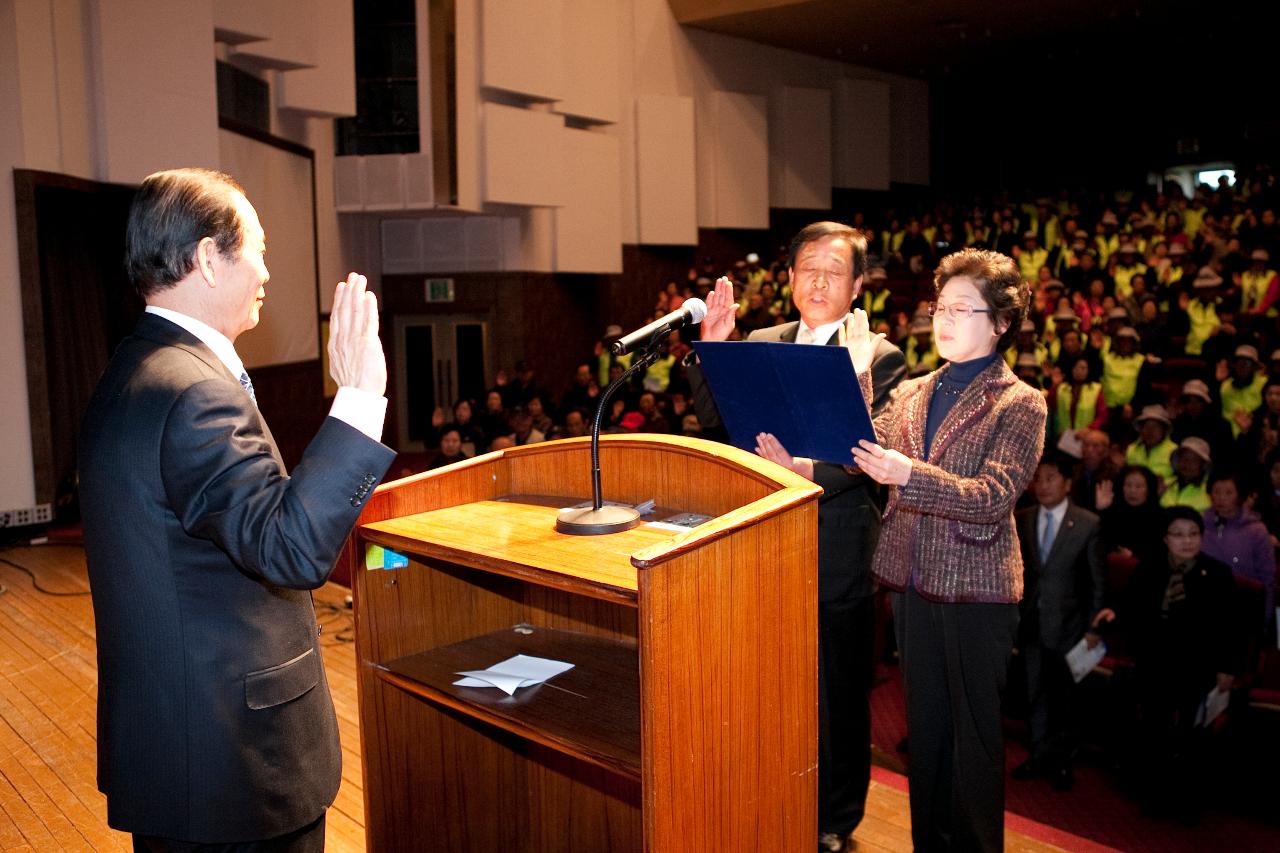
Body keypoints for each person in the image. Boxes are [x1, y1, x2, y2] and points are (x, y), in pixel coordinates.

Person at [79, 168, 395, 850]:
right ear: (206, 258)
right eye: (257, 249)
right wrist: (360, 396)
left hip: (178, 749)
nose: (267, 272)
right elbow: (291, 547)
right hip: (233, 767)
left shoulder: (135, 368)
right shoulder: (195, 391)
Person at [687, 221, 906, 853]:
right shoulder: (762, 339)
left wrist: (805, 471)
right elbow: (724, 427)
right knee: (773, 688)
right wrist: (712, 351)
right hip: (767, 544)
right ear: (787, 279)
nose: (817, 280)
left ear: (857, 285)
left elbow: (873, 450)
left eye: (833, 270)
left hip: (837, 548)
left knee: (837, 696)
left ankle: (836, 819)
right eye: (806, 267)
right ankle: (779, 796)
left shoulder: (879, 354)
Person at [848, 248, 1047, 852]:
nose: (945, 319)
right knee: (927, 734)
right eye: (941, 306)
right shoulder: (909, 391)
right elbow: (857, 442)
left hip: (976, 590)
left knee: (974, 742)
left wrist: (908, 474)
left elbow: (992, 496)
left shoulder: (1020, 402)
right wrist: (857, 369)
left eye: (964, 309)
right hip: (911, 582)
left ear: (1002, 323)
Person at [1091, 507, 1239, 823]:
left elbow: (1230, 627)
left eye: (1193, 534)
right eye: (1178, 534)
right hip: (1155, 662)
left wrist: (1227, 667)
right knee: (1154, 729)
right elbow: (1131, 604)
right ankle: (1152, 793)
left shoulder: (1217, 574)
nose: (1186, 541)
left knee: (1189, 735)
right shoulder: (1151, 567)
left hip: (1195, 666)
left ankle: (1186, 800)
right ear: (1165, 539)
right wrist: (1114, 614)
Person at [1012, 454, 1106, 792]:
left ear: (1067, 483)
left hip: (1070, 624)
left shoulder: (1087, 523)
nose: (1043, 485)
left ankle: (1063, 759)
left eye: (1051, 478)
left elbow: (1096, 580)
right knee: (1034, 690)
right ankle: (1038, 753)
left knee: (1066, 696)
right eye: (1038, 478)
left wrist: (1095, 626)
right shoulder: (1023, 518)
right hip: (1032, 621)